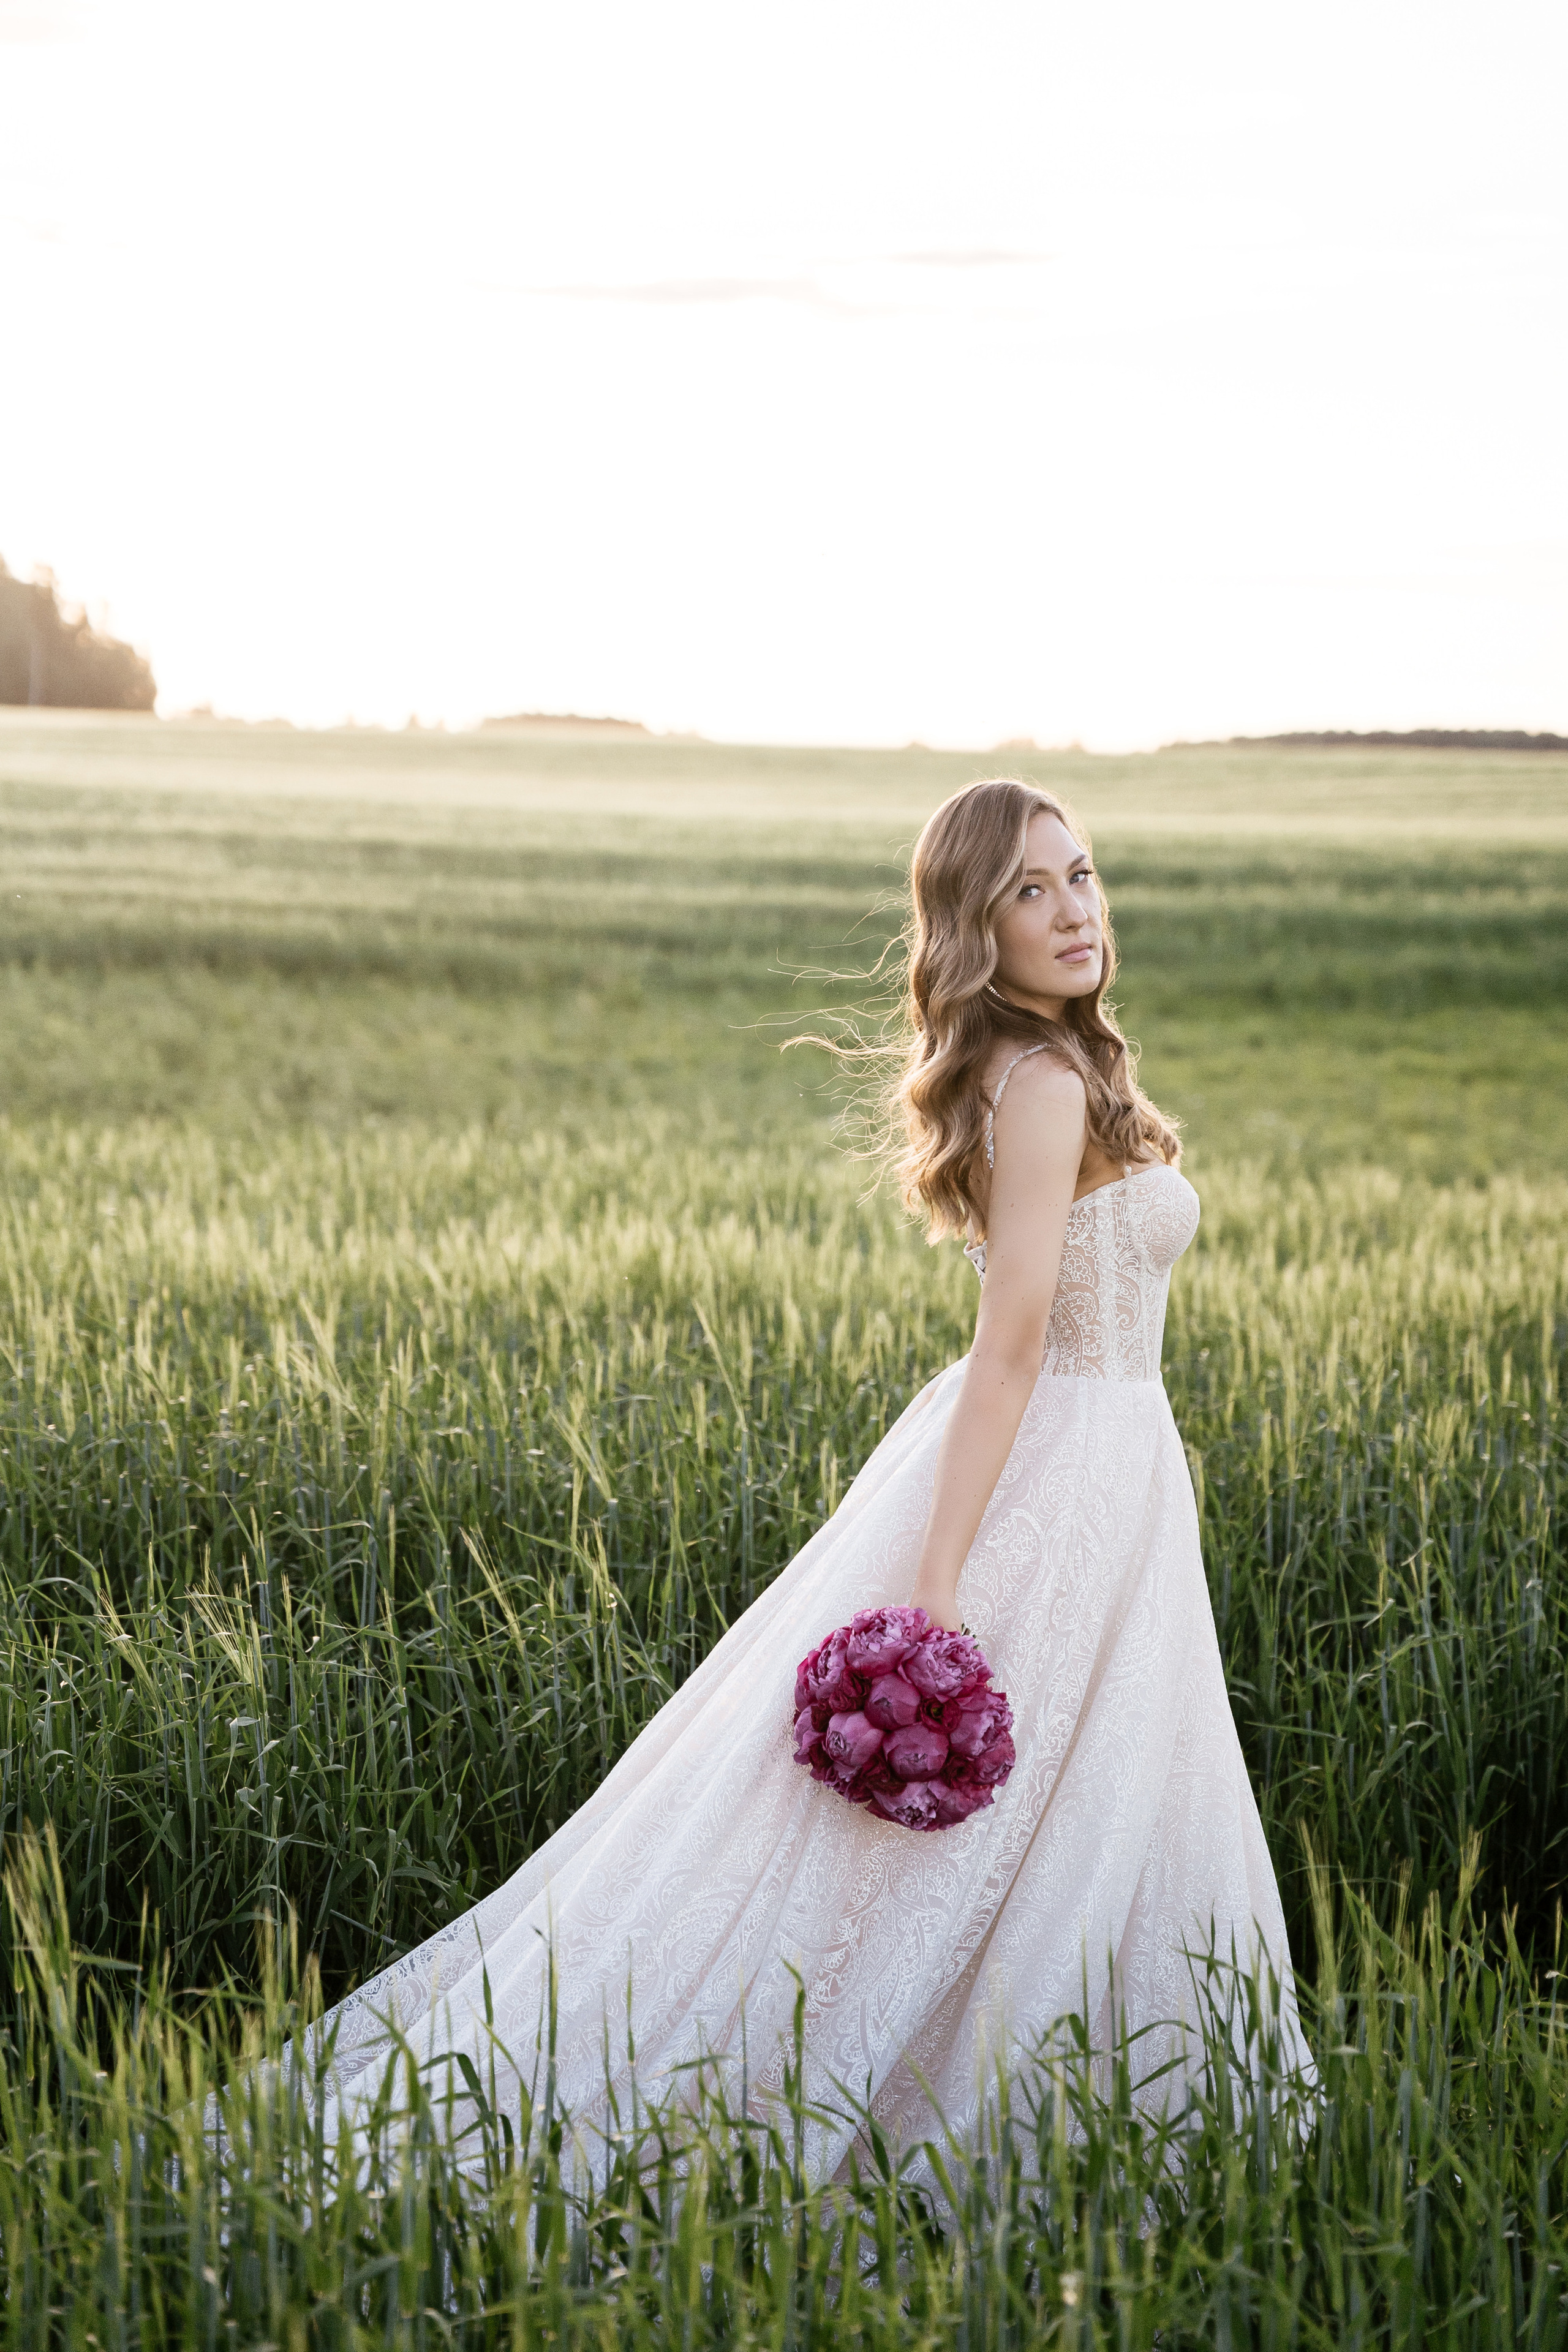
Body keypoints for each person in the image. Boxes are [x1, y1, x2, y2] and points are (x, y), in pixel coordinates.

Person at [303, 775, 1308, 2172]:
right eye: (1030, 889)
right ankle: (943, 2097)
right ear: (973, 926)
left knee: (1098, 1785)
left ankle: (1024, 2076)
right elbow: (1009, 1341)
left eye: (1081, 876)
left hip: (1112, 1465)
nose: (1072, 909)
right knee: (988, 1810)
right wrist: (940, 1579)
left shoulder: (1055, 1070)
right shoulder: (1039, 1083)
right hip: (1056, 1463)